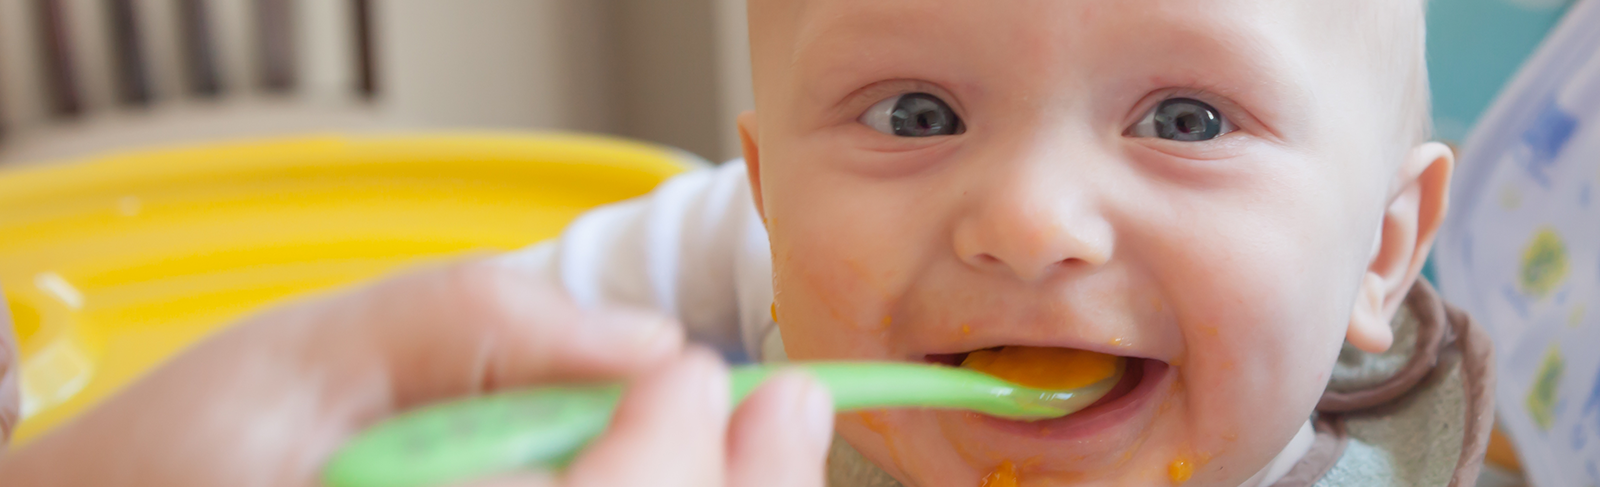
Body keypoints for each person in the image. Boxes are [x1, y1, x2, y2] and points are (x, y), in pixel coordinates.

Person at [0, 0, 1494, 485]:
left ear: (1379, 252)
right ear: (769, 196)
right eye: (914, 111)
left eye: (1183, 120)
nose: (1030, 222)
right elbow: (486, 329)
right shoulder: (775, 265)